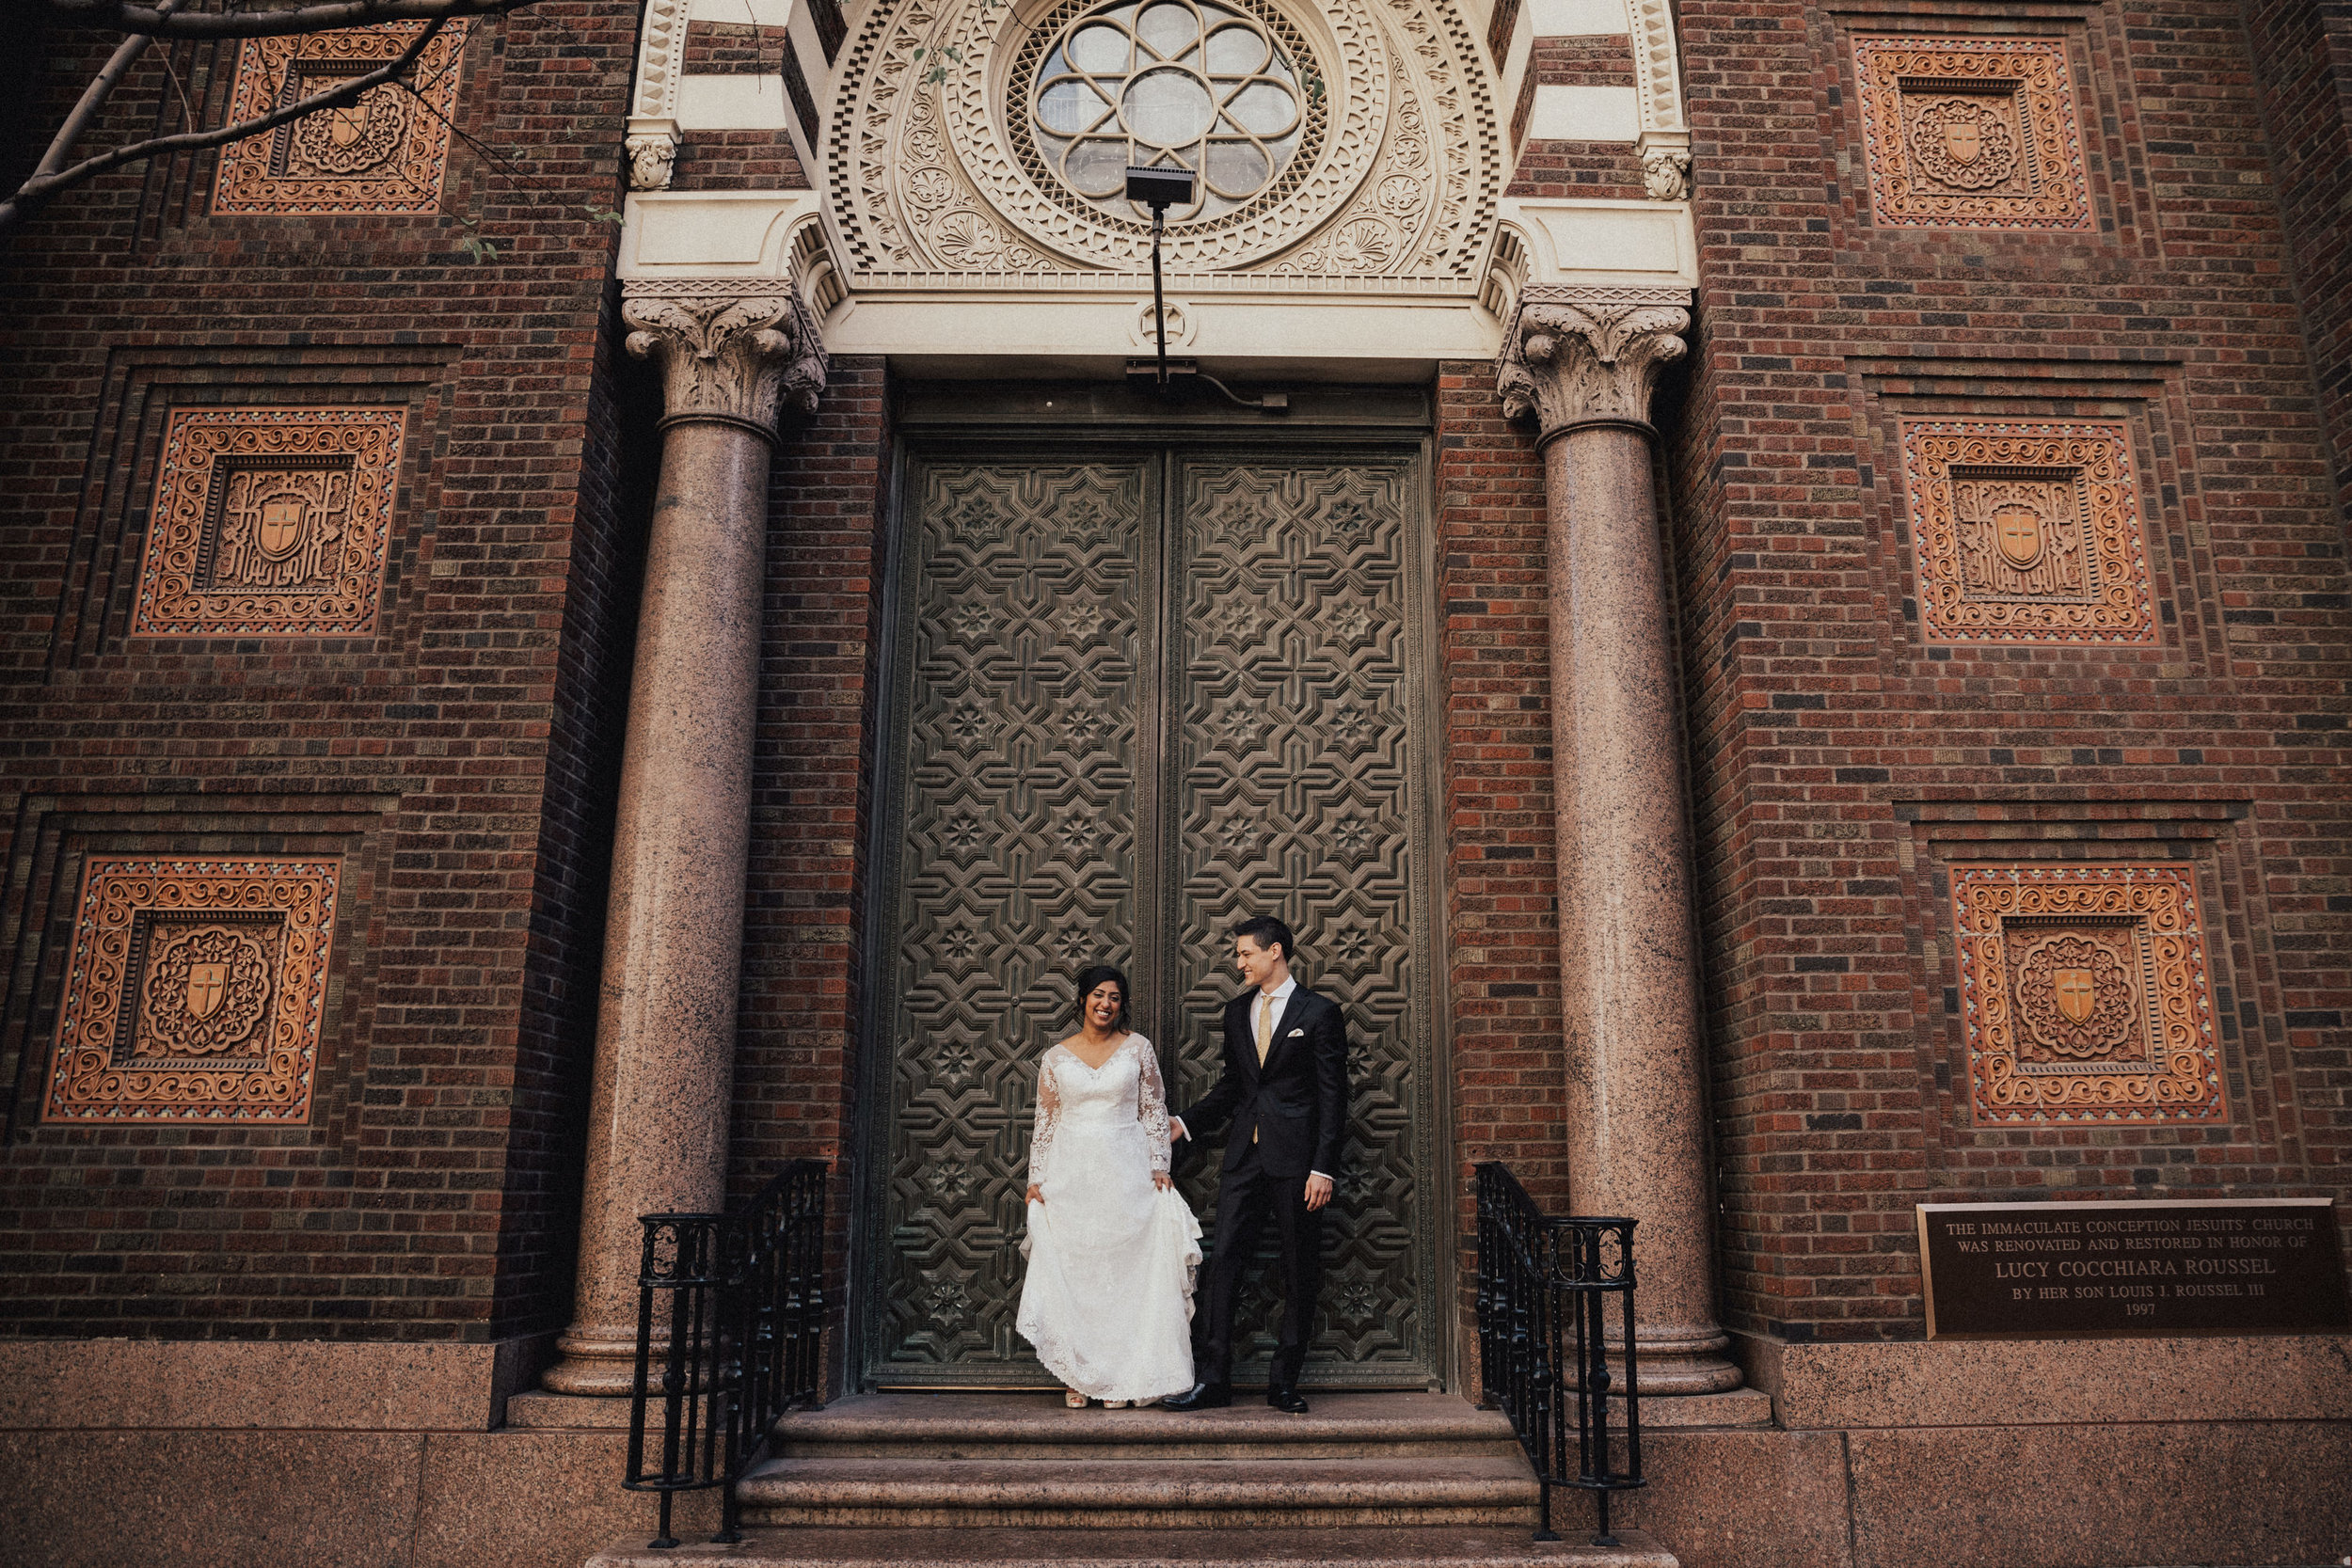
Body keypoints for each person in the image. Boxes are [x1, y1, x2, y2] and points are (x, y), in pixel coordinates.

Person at [1161, 915, 1346, 1414]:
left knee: (1298, 1268)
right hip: (1244, 1158)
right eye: (1239, 954)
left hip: (1298, 1164)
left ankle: (1283, 1383)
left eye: (1246, 953)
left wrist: (1323, 1168)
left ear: (1276, 952)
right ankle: (1214, 1379)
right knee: (1223, 1264)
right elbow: (1234, 1086)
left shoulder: (1321, 1013)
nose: (1238, 962)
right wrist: (1186, 1124)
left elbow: (1334, 1098)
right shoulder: (1237, 1010)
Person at [1016, 963, 1202, 1408]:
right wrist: (1035, 1177)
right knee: (1079, 1274)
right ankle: (1078, 1375)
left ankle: (1124, 1375)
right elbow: (1047, 1119)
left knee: (1124, 1274)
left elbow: (1154, 1110)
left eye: (1115, 998)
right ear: (1082, 999)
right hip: (1071, 1173)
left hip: (1126, 1169)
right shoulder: (1057, 1057)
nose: (1106, 1004)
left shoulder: (1138, 1049)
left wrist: (1160, 1163)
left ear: (1122, 1005)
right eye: (1098, 995)